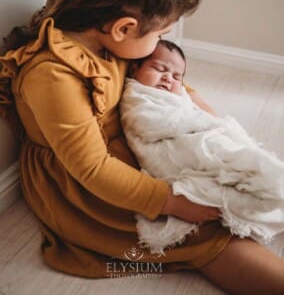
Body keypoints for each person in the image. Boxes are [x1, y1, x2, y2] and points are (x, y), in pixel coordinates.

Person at [0, 0, 284, 294]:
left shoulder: (111, 38)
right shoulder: (53, 76)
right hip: (87, 183)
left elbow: (178, 87)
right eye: (158, 35)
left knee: (233, 182)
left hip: (132, 141)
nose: (158, 44)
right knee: (202, 233)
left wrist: (212, 126)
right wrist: (170, 202)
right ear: (124, 28)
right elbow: (93, 168)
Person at [120, 40, 284, 255]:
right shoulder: (136, 96)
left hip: (202, 140)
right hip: (174, 155)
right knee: (231, 192)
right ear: (135, 68)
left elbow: (198, 111)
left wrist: (216, 128)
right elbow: (145, 122)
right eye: (159, 68)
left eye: (177, 76)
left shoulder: (178, 95)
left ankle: (271, 191)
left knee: (248, 163)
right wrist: (210, 125)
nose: (168, 78)